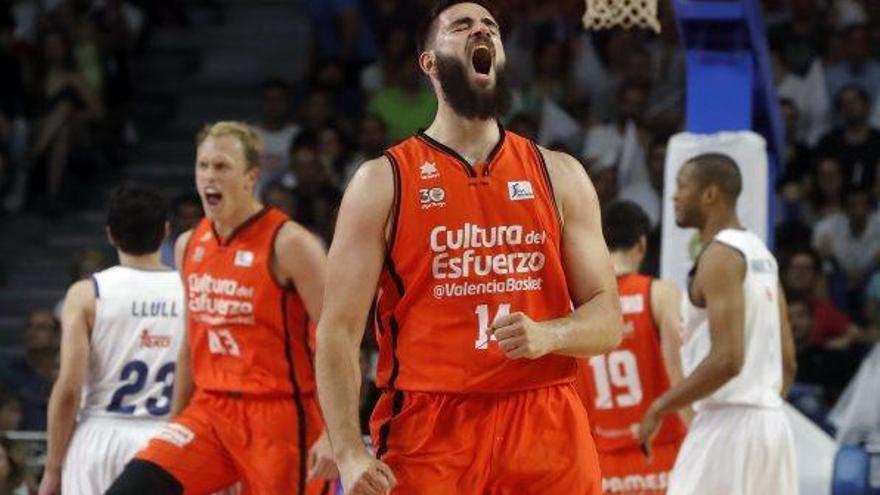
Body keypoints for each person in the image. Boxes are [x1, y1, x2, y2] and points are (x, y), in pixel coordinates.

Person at [315, 2, 623, 494]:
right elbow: (337, 329)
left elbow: (609, 320)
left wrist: (548, 335)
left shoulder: (559, 173)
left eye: (491, 28)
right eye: (462, 26)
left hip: (545, 418)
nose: (482, 30)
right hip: (431, 424)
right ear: (429, 62)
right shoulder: (382, 181)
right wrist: (349, 450)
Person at [106, 122, 335, 495]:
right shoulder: (187, 244)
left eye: (222, 167)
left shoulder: (290, 243)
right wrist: (176, 419)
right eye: (203, 166)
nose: (209, 176)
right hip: (210, 410)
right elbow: (189, 346)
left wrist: (336, 433)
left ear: (250, 176)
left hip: (280, 417)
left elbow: (337, 338)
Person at [637, 153, 799, 494]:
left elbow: (728, 359)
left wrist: (659, 406)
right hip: (772, 425)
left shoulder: (719, 256)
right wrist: (761, 406)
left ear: (710, 194)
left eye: (682, 186)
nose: (674, 196)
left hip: (727, 424)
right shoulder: (762, 255)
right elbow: (788, 361)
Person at [38, 184, 184, 495]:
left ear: (110, 234)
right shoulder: (192, 291)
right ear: (166, 231)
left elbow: (68, 389)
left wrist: (52, 468)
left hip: (98, 437)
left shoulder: (87, 293)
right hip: (168, 437)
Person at [577, 201, 687, 494]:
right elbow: (678, 371)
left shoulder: (578, 301)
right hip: (662, 453)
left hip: (602, 460)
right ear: (641, 243)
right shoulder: (660, 295)